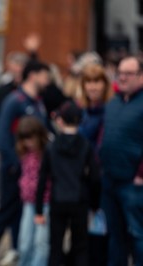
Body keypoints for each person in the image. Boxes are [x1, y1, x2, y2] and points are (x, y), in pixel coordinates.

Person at [0, 61, 50, 265]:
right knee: (6, 211)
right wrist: (16, 164)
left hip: (33, 172)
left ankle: (15, 249)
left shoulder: (38, 102)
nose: (48, 80)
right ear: (34, 75)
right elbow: (3, 135)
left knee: (20, 213)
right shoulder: (15, 100)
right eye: (45, 75)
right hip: (15, 170)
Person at [35, 101, 100, 266]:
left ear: (61, 120)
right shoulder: (85, 146)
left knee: (55, 247)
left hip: (58, 200)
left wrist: (39, 210)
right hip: (79, 200)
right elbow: (95, 177)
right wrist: (94, 205)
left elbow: (42, 178)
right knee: (81, 247)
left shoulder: (52, 146)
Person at [100, 56, 143, 266]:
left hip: (133, 184)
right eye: (120, 73)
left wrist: (141, 174)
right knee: (115, 236)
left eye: (129, 73)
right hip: (110, 181)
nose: (123, 77)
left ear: (141, 76)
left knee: (137, 235)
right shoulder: (113, 103)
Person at [78, 63, 113, 266]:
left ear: (104, 84)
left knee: (102, 236)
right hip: (82, 182)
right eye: (89, 82)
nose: (93, 87)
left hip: (101, 181)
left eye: (97, 81)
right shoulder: (82, 111)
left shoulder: (109, 111)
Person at [15, 116, 50, 266]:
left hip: (45, 203)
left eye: (31, 139)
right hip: (28, 202)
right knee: (25, 241)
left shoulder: (47, 153)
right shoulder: (24, 153)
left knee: (40, 243)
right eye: (25, 140)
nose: (28, 143)